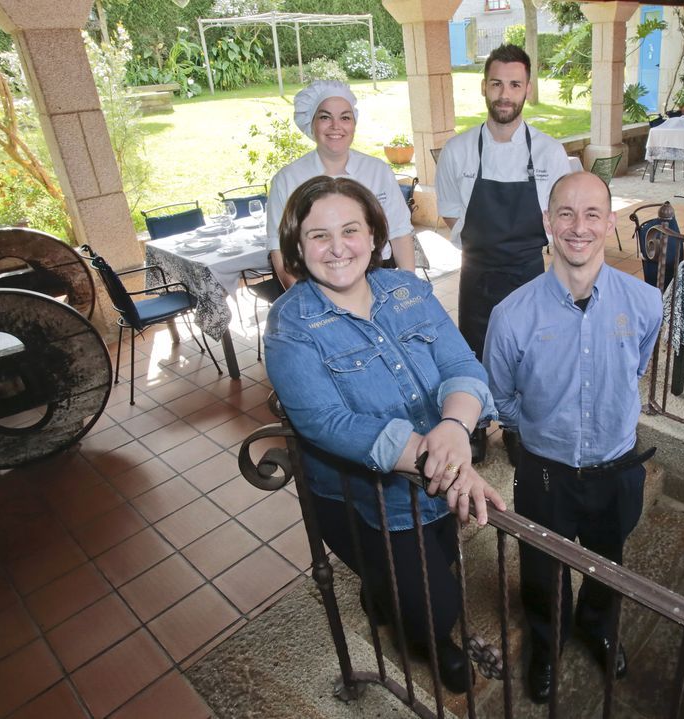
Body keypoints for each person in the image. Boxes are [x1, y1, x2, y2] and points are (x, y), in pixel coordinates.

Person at [264, 175, 506, 694]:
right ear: (298, 248)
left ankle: (388, 595)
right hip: (365, 500)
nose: (337, 248)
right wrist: (435, 455)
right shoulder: (291, 325)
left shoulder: (408, 290)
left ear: (374, 236)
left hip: (435, 478)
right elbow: (326, 423)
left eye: (350, 230)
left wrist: (455, 428)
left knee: (439, 561)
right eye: (319, 236)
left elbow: (462, 364)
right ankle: (431, 640)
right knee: (434, 603)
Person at [482, 171, 663, 704]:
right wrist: (543, 429)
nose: (578, 227)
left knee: (609, 559)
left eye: (591, 215)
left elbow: (636, 368)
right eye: (565, 213)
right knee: (542, 568)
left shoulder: (646, 303)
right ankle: (549, 640)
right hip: (544, 472)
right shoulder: (511, 316)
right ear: (547, 223)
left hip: (617, 467)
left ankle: (598, 626)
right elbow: (501, 398)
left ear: (610, 222)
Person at [436, 44, 571, 460]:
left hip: (529, 271)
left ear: (527, 89)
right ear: (483, 87)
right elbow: (449, 215)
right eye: (497, 83)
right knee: (472, 351)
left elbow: (561, 218)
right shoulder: (458, 151)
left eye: (514, 84)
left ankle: (516, 426)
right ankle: (475, 425)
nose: (505, 94)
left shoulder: (549, 153)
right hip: (476, 272)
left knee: (528, 353)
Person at [266, 80, 415, 290]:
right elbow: (280, 252)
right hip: (317, 286)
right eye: (325, 117)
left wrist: (409, 290)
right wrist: (307, 304)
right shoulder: (287, 180)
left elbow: (400, 234)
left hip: (379, 279)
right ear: (311, 123)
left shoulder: (378, 171)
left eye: (345, 117)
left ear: (354, 123)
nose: (336, 126)